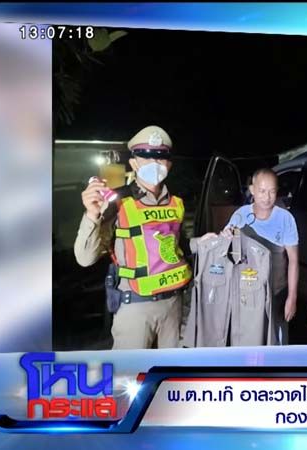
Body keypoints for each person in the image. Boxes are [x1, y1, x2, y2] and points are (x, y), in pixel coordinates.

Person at [75, 125, 211, 349]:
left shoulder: (176, 203)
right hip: (136, 308)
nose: (154, 163)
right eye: (146, 156)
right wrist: (91, 215)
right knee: (132, 370)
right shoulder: (117, 201)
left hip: (173, 305)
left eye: (160, 156)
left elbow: (177, 247)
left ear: (169, 164)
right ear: (134, 163)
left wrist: (203, 242)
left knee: (169, 370)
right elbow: (85, 258)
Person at [207, 168, 299, 344]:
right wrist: (224, 237)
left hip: (276, 291)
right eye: (262, 191)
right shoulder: (241, 215)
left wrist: (292, 297)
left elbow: (293, 261)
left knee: (276, 341)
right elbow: (226, 249)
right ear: (252, 190)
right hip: (247, 293)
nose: (267, 197)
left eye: (272, 191)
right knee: (249, 339)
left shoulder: (285, 219)